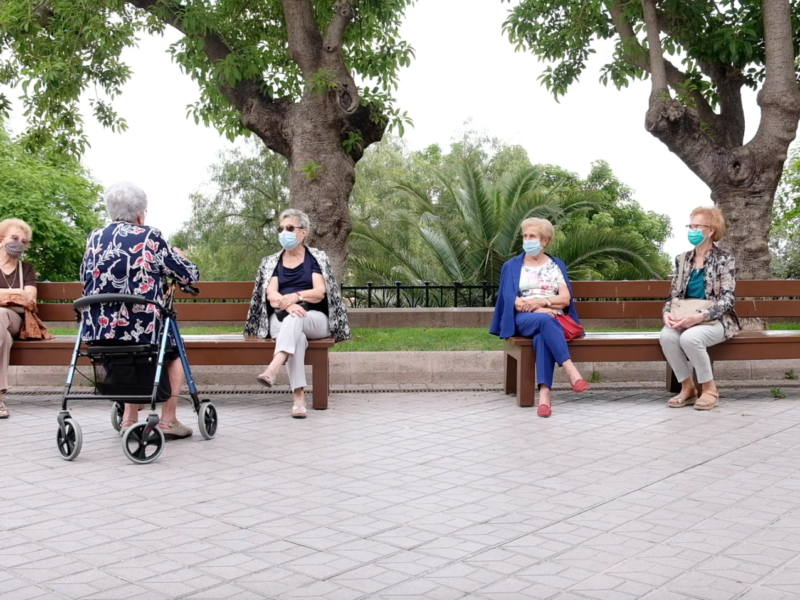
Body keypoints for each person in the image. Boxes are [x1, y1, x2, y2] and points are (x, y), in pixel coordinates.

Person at [79, 182, 200, 438]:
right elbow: (188, 275)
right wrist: (180, 256)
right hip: (143, 328)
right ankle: (168, 420)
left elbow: (84, 277)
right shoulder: (149, 236)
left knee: (127, 349)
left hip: (99, 328)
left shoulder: (94, 237)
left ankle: (130, 418)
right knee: (173, 350)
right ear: (140, 213)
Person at [245, 208, 350, 418]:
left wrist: (297, 297)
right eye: (281, 228)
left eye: (290, 228)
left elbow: (320, 292)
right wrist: (288, 305)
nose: (284, 232)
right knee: (297, 337)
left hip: (314, 319)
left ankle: (273, 369)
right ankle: (298, 398)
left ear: (303, 232)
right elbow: (271, 293)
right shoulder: (271, 262)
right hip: (280, 319)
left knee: (296, 320)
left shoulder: (315, 258)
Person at [490, 217, 589, 418]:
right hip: (523, 319)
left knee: (543, 335)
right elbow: (511, 299)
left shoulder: (555, 265)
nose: (527, 240)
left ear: (545, 241)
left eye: (532, 236)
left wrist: (544, 303)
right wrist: (537, 310)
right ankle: (570, 369)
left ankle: (545, 396)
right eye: (525, 236)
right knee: (545, 321)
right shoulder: (512, 266)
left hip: (552, 318)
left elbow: (565, 298)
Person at [660, 206, 739, 411]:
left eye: (697, 226)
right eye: (690, 226)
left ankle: (709, 389)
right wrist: (667, 313)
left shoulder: (724, 259)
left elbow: (728, 299)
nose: (692, 230)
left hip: (717, 320)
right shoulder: (682, 259)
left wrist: (700, 317)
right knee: (667, 336)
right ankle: (688, 388)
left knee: (690, 338)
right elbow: (673, 295)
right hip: (683, 316)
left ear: (710, 230)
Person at [0, 219, 37, 419]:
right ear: (1, 239)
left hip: (15, 319)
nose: (19, 244)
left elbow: (31, 300)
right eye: (14, 238)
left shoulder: (26, 269)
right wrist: (17, 293)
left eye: (23, 241)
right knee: (1, 336)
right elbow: (23, 295)